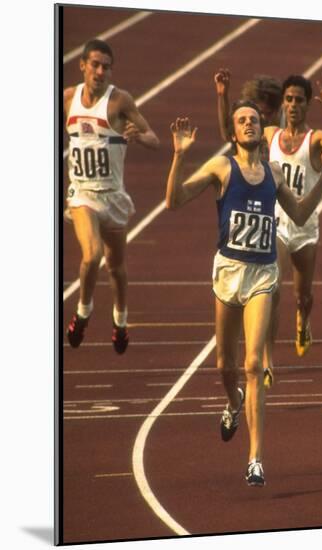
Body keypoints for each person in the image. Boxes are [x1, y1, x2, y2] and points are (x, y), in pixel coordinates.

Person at [165, 100, 322, 486]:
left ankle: (255, 458)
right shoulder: (222, 167)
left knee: (253, 364)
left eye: (254, 120)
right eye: (241, 120)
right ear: (233, 131)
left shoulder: (274, 173)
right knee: (225, 367)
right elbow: (173, 201)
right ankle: (233, 401)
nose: (249, 125)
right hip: (228, 272)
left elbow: (302, 214)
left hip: (262, 273)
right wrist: (177, 156)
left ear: (262, 128)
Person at [214, 71, 322, 389]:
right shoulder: (270, 133)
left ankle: (303, 319)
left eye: (298, 100)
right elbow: (226, 133)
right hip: (277, 225)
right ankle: (268, 361)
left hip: (305, 225)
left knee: (302, 296)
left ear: (306, 105)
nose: (292, 105)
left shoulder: (315, 138)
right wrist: (222, 95)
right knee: (272, 291)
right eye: (288, 99)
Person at [64, 38, 160, 353]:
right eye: (95, 64)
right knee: (92, 255)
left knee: (116, 268)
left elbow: (154, 139)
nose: (100, 71)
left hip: (113, 197)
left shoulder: (119, 101)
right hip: (83, 194)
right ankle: (83, 313)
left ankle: (120, 321)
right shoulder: (67, 100)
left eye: (106, 66)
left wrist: (138, 136)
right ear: (82, 65)